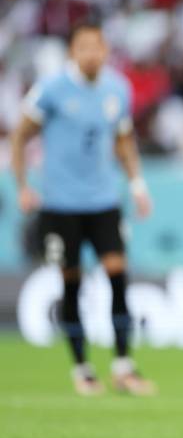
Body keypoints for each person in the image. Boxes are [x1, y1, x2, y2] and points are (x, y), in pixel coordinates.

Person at [11, 22, 156, 397]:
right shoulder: (51, 90)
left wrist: (137, 185)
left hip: (104, 201)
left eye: (97, 47)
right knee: (71, 282)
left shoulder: (117, 89)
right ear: (72, 52)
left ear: (105, 50)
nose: (91, 54)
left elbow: (123, 140)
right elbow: (20, 135)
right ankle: (82, 369)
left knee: (117, 276)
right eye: (83, 47)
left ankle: (123, 367)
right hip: (60, 205)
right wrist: (23, 185)